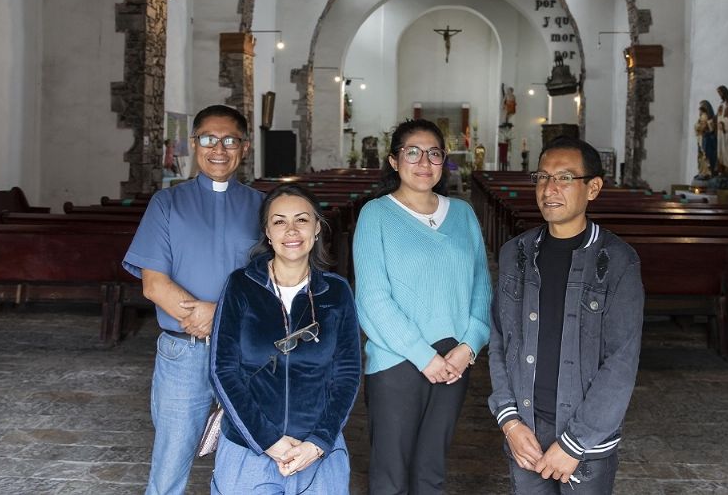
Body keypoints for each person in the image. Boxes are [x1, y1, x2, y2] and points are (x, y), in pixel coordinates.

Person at [488, 136, 644, 494]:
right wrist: (510, 421)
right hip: (525, 432)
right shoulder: (517, 253)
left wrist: (574, 443)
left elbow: (621, 362)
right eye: (542, 177)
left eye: (564, 178)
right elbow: (500, 340)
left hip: (585, 443)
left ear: (593, 187)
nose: (549, 189)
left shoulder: (617, 261)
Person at [122, 104, 263, 494]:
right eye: (208, 139)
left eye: (230, 140)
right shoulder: (166, 204)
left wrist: (219, 316)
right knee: (172, 460)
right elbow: (153, 284)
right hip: (185, 352)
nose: (219, 148)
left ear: (245, 147)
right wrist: (207, 317)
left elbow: (274, 282)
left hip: (246, 353)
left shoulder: (263, 207)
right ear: (193, 143)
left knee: (247, 458)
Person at [353, 118, 492, 495]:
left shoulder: (462, 214)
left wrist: (470, 346)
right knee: (391, 475)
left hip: (455, 360)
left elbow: (481, 284)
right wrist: (423, 356)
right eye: (412, 152)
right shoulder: (376, 215)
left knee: (432, 472)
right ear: (394, 161)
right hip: (397, 360)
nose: (423, 162)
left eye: (433, 153)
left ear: (444, 161)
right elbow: (371, 299)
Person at [210, 184, 361, 494]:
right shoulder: (241, 285)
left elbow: (346, 374)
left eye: (302, 220)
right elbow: (222, 369)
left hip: (318, 453)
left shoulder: (336, 291)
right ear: (267, 231)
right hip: (249, 449)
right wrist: (268, 441)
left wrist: (318, 442)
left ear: (317, 227)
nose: (291, 230)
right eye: (279, 221)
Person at [695, 100, 717, 178]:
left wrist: (700, 127)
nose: (699, 110)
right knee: (701, 156)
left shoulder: (705, 116)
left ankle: (707, 172)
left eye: (700, 108)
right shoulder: (702, 117)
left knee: (705, 156)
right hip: (701, 138)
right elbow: (697, 126)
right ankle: (702, 172)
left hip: (706, 138)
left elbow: (704, 127)